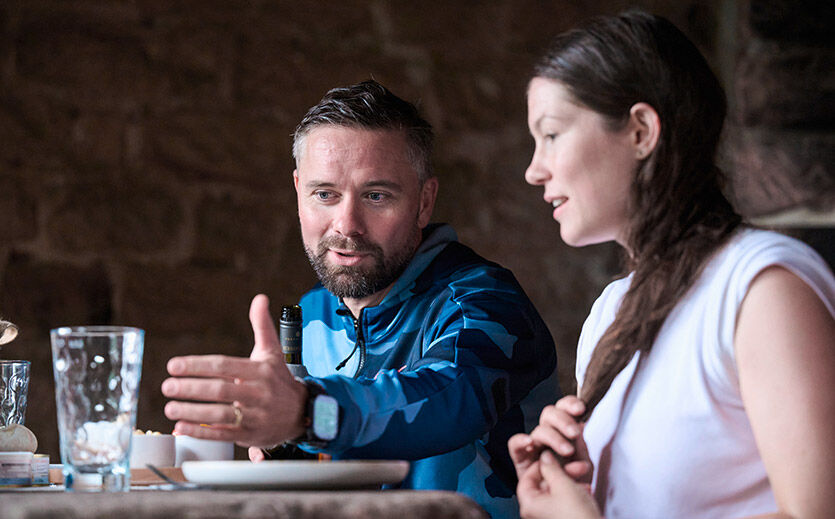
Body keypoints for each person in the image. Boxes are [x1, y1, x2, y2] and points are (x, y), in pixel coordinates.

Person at [162, 79, 562, 518]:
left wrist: (306, 413)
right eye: (324, 195)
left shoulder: (483, 304)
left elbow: (449, 401)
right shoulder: (310, 313)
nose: (346, 224)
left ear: (424, 202)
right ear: (299, 193)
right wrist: (279, 442)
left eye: (376, 196)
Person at [508, 10, 835, 519]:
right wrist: (572, 490)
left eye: (551, 134)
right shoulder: (609, 315)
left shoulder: (761, 289)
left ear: (641, 131)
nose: (534, 169)